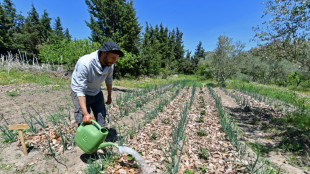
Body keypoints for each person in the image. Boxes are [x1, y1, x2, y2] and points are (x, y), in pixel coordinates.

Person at [71, 41, 124, 127]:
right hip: (81, 93)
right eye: (113, 58)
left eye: (116, 59)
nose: (114, 61)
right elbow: (80, 89)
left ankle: (99, 137)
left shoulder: (110, 65)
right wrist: (85, 113)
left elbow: (109, 80)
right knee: (84, 122)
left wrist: (109, 95)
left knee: (101, 118)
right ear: (104, 53)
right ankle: (84, 139)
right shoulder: (85, 63)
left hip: (96, 92)